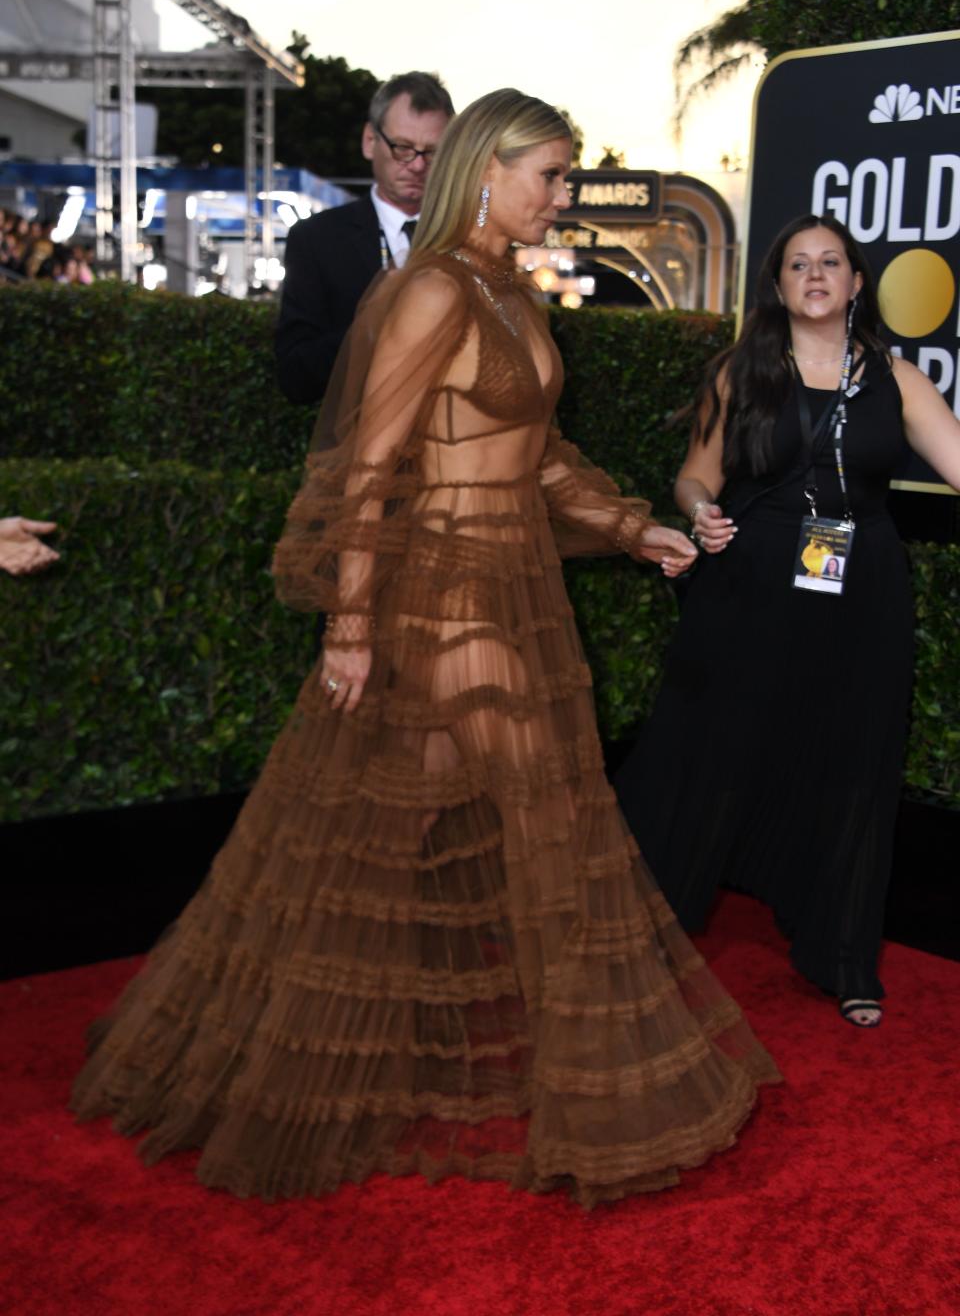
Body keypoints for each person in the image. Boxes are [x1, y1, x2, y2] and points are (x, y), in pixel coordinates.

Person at [72, 90, 779, 1208]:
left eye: (566, 173)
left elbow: (534, 454)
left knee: (383, 822)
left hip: (516, 578)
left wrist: (629, 526)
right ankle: (599, 1102)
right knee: (552, 820)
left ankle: (258, 1049)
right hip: (448, 588)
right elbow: (370, 465)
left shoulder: (505, 292)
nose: (562, 195)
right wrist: (350, 626)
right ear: (485, 173)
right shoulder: (431, 291)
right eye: (548, 174)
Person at [616, 213, 960, 1028]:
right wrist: (702, 514)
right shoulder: (742, 371)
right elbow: (694, 478)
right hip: (750, 579)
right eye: (797, 264)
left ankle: (842, 956)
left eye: (830, 262)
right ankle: (650, 937)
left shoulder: (898, 380)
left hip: (862, 585)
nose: (814, 275)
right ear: (776, 286)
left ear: (855, 281)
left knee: (855, 763)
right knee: (708, 752)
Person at [275, 71, 454, 407]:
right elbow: (296, 377)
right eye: (403, 148)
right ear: (370, 141)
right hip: (355, 442)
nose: (417, 165)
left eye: (432, 153)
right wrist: (373, 328)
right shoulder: (316, 240)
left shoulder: (466, 238)